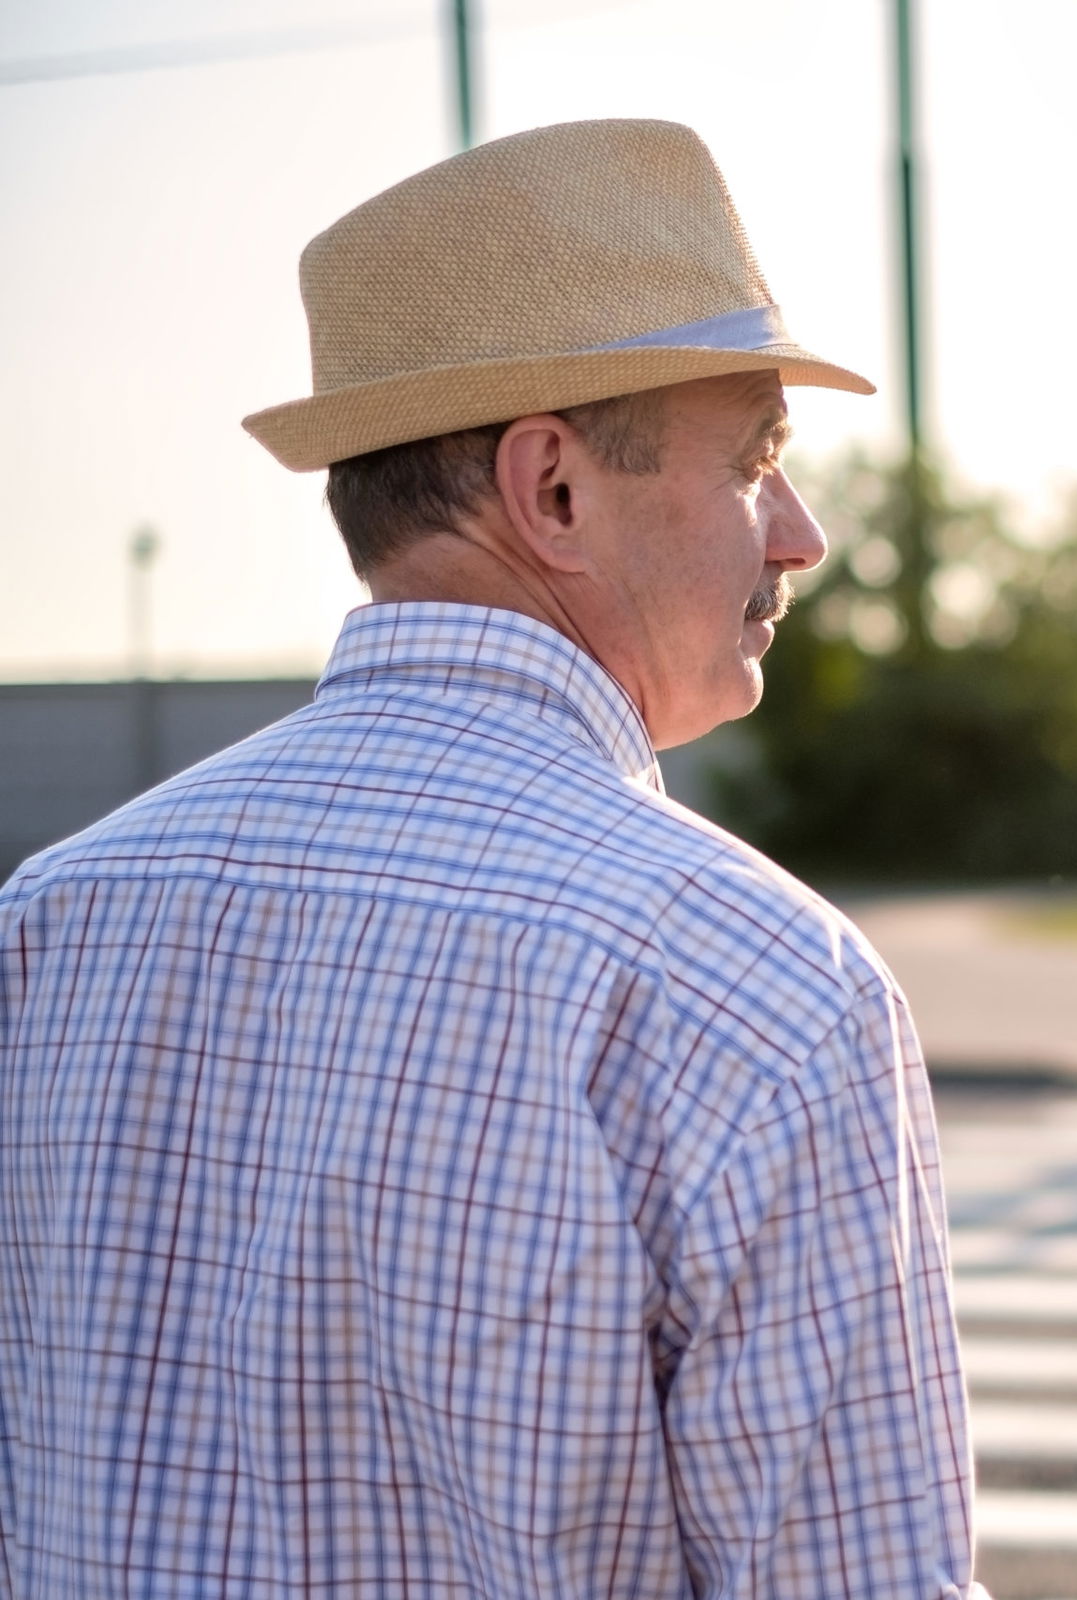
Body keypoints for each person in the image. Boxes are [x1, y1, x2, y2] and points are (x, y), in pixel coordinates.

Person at [0, 123, 986, 1599]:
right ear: (555, 491)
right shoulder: (759, 989)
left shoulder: (49, 924)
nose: (802, 534)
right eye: (757, 461)